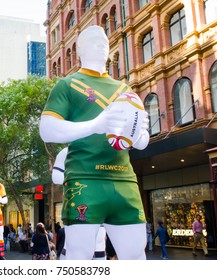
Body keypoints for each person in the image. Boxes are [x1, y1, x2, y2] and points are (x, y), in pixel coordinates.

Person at [39, 25, 150, 260]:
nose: (101, 44)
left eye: (104, 42)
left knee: (135, 255)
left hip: (124, 180)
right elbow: (46, 129)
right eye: (93, 40)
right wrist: (95, 125)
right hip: (85, 178)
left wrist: (140, 131)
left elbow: (140, 143)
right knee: (80, 255)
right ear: (79, 50)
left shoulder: (125, 90)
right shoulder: (68, 85)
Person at [52, 147, 107, 260]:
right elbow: (56, 176)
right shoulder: (68, 151)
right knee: (72, 245)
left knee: (99, 244)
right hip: (77, 205)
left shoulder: (103, 150)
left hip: (98, 206)